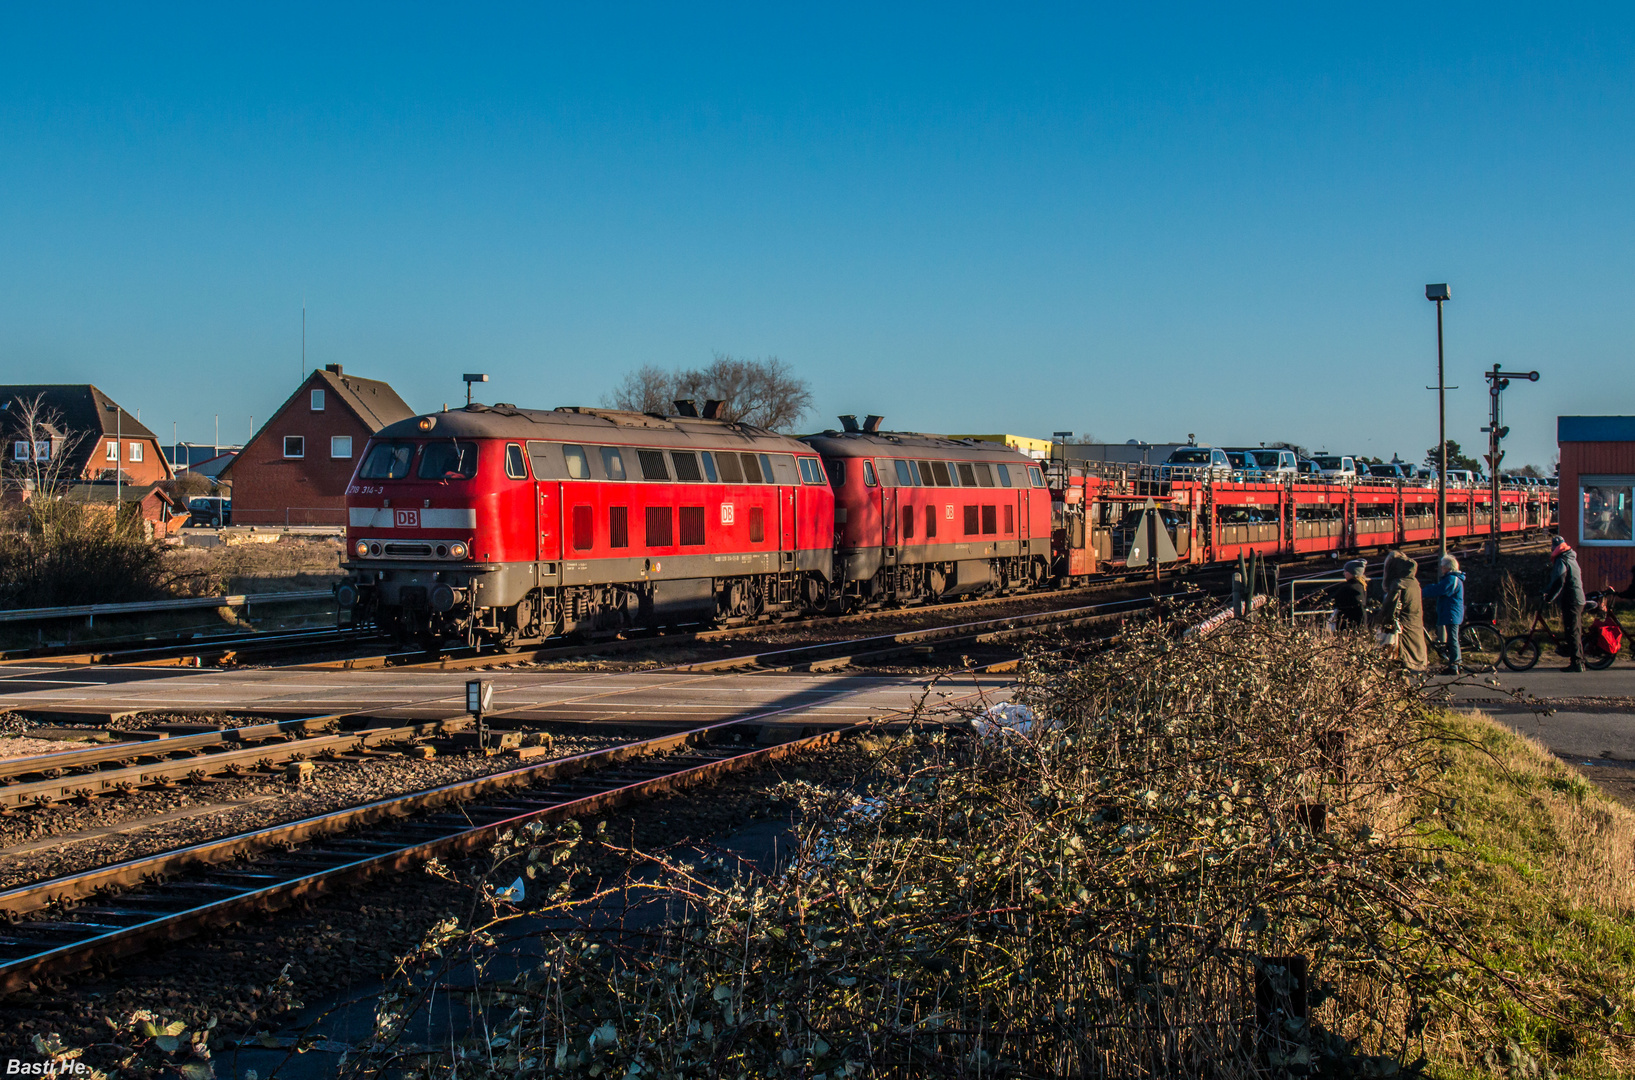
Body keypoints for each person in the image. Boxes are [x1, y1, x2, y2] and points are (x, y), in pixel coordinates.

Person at [1379, 550, 1429, 670]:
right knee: (1403, 671)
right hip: (1413, 631)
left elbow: (1388, 613)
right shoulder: (1414, 583)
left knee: (1396, 668)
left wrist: (1376, 621)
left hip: (1401, 635)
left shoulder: (1399, 585)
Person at [1543, 535, 1586, 672]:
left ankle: (1577, 663)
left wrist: (1549, 597)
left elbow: (1559, 580)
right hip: (1577, 599)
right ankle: (1578, 660)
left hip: (1572, 599)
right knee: (1574, 631)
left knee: (1572, 632)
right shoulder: (1570, 557)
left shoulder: (1562, 560)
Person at [1421, 555, 1466, 674]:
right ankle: (1457, 663)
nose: (1441, 569)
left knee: (1452, 639)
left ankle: (1454, 666)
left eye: (1443, 567)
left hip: (1451, 612)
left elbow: (1440, 589)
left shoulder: (1451, 579)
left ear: (1448, 567)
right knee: (1453, 638)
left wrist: (1422, 592)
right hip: (1451, 611)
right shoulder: (1454, 578)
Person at [1332, 559, 1369, 630]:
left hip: (1347, 625)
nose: (1344, 574)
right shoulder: (1361, 586)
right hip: (1357, 625)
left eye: (1346, 571)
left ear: (1352, 573)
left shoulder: (1349, 588)